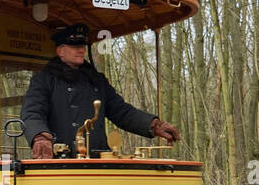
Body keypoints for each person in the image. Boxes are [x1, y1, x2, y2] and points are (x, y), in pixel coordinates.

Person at [21, 23, 181, 159]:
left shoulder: (96, 80)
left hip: (98, 162)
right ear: (60, 51)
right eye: (75, 46)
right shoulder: (44, 79)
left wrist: (153, 124)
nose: (81, 50)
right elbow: (32, 113)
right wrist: (40, 137)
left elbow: (122, 112)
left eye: (82, 46)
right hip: (61, 163)